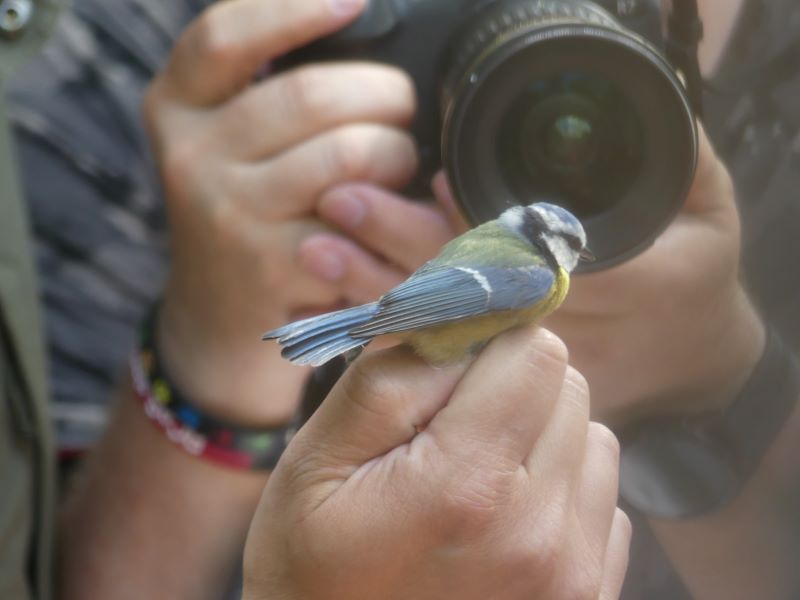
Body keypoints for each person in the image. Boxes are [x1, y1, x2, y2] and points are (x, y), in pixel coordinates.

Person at [5, 0, 799, 597]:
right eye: (568, 250)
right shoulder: (531, 275)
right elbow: (450, 298)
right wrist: (213, 350)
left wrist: (720, 375)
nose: (575, 267)